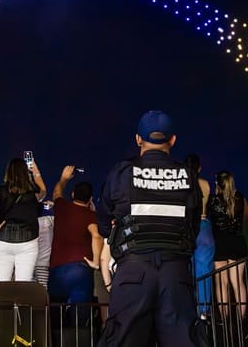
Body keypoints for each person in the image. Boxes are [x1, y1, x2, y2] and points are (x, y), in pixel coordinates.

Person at [96, 110, 202, 347]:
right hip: (176, 275)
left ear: (138, 139)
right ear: (172, 140)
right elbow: (193, 228)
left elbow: (103, 222)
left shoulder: (122, 173)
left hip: (132, 274)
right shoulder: (188, 175)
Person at [48, 166, 103, 317]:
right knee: (80, 319)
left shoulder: (61, 207)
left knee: (55, 316)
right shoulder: (90, 216)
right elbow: (96, 236)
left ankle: (54, 340)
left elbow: (57, 193)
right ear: (90, 199)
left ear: (72, 194)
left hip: (57, 269)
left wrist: (63, 178)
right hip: (81, 269)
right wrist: (96, 262)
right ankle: (80, 340)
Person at [0, 157, 46, 281]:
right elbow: (43, 192)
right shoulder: (33, 193)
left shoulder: (0, 191)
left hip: (3, 240)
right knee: (23, 284)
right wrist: (36, 171)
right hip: (28, 241)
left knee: (1, 285)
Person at [209, 170, 248, 321]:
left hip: (220, 242)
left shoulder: (213, 200)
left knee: (221, 283)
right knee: (238, 282)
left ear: (217, 183)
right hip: (237, 241)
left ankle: (224, 319)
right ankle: (242, 318)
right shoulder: (239, 198)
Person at [185, 154, 215, 317]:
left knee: (185, 269)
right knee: (204, 271)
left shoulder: (183, 183)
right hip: (204, 225)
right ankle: (203, 310)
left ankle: (187, 307)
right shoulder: (205, 184)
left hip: (188, 227)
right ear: (200, 168)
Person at [34, 200, 54, 288]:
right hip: (43, 263)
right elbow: (64, 217)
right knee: (43, 291)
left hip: (27, 263)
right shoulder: (48, 220)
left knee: (27, 293)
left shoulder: (26, 223)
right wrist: (54, 205)